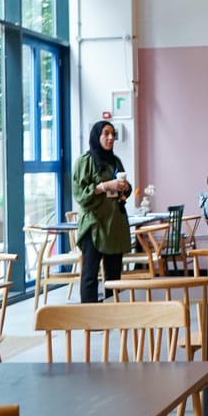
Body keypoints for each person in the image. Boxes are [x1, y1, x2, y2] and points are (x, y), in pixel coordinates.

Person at [72, 120, 132, 303]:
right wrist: (104, 186)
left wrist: (125, 188)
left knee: (114, 275)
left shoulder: (115, 161)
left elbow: (123, 190)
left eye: (113, 134)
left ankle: (112, 310)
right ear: (97, 136)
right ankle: (90, 313)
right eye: (106, 134)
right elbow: (80, 195)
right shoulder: (85, 162)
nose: (110, 138)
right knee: (90, 274)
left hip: (114, 224)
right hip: (94, 224)